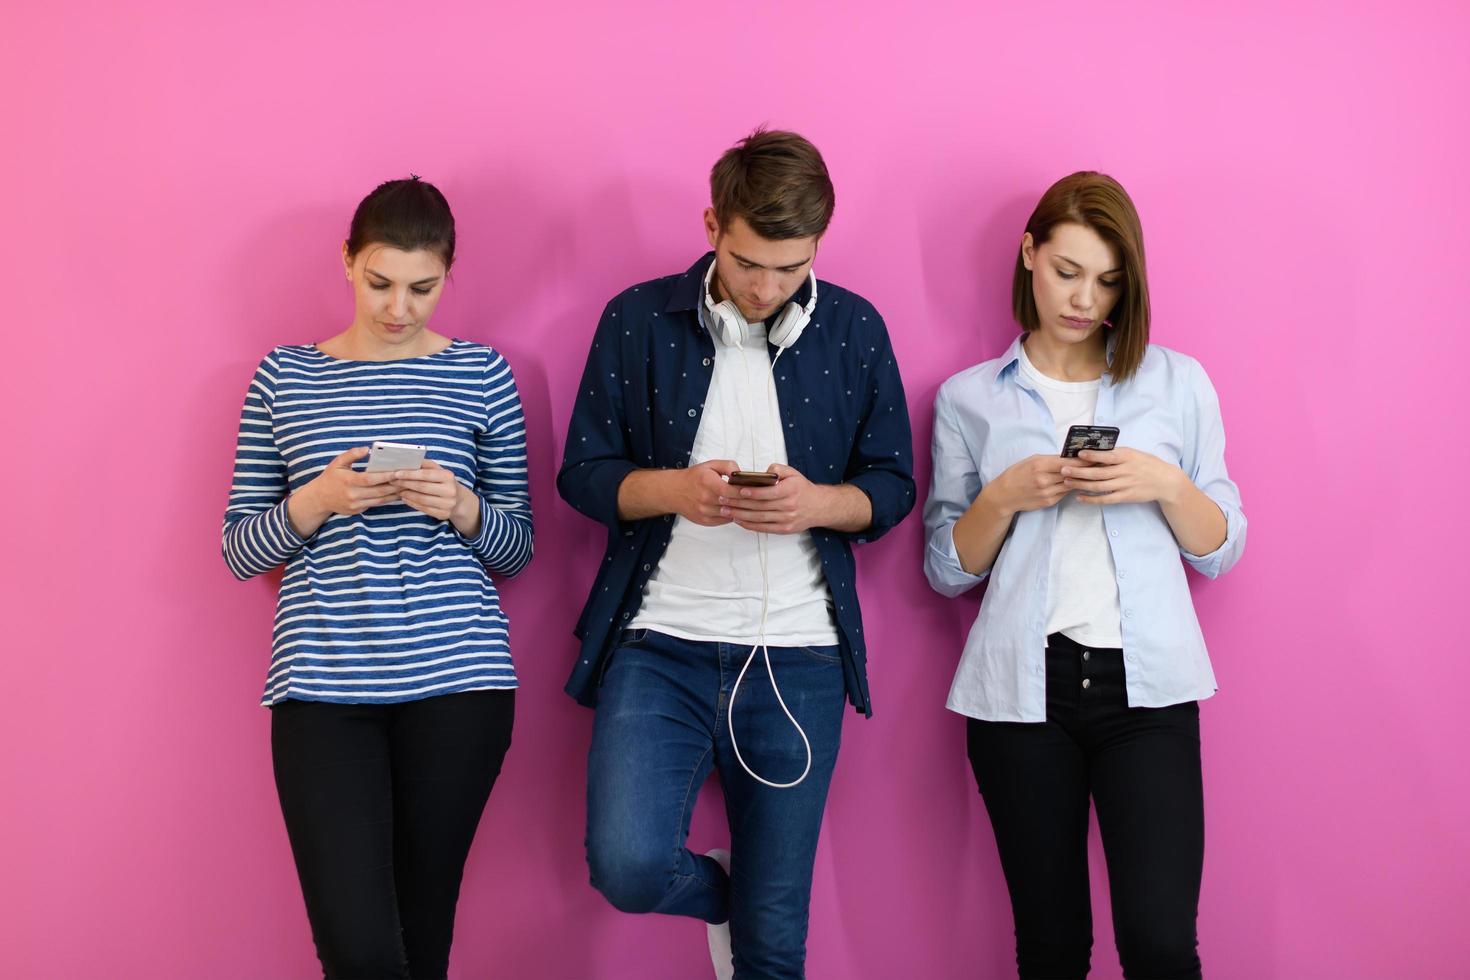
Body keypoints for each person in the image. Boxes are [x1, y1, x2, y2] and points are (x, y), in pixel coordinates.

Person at [557, 128, 914, 979]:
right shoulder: (636, 317)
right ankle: (723, 888)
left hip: (799, 660)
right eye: (750, 261)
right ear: (712, 223)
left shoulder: (855, 328)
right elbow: (583, 472)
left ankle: (750, 904)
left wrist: (818, 504)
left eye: (790, 268)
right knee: (628, 867)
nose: (766, 287)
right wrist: (675, 491)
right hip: (658, 650)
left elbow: (895, 484)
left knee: (774, 934)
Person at [923, 171, 1246, 980]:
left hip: (1149, 693)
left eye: (1107, 282)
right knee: (1055, 948)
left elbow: (1220, 547)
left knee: (1163, 946)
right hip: (1019, 697)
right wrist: (1004, 496)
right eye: (1067, 272)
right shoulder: (969, 399)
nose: (1083, 300)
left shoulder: (1177, 383)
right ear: (1029, 253)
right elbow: (944, 570)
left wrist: (1164, 484)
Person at [222, 177, 532, 979]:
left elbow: (517, 550)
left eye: (422, 288)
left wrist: (461, 505)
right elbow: (238, 551)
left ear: (448, 274)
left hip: (459, 683)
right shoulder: (284, 377)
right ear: (348, 262)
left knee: (421, 938)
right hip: (322, 686)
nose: (399, 308)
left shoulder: (483, 376)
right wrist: (318, 499)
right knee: (358, 949)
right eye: (380, 282)